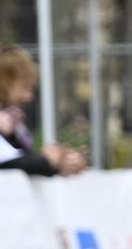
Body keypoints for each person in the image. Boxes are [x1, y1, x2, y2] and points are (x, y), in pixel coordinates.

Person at [0, 46, 83, 177]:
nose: (29, 97)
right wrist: (49, 161)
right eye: (24, 87)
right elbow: (11, 163)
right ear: (5, 82)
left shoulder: (15, 127)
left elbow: (21, 161)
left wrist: (59, 164)